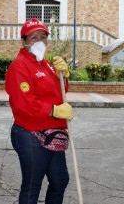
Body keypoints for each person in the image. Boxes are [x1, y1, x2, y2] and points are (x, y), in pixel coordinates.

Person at [5, 18, 73, 204]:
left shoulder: (45, 63)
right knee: (32, 186)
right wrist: (54, 110)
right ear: (24, 41)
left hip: (53, 132)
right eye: (34, 37)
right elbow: (22, 103)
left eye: (43, 37)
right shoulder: (19, 66)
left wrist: (63, 76)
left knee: (60, 181)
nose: (39, 41)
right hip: (30, 134)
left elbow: (60, 93)